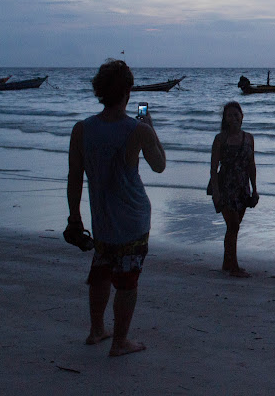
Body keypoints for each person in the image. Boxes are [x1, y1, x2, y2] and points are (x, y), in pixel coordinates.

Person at [66, 59, 166, 357]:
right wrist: (150, 127)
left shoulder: (82, 129)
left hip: (102, 219)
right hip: (133, 218)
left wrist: (74, 217)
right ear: (127, 92)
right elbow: (159, 165)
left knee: (101, 272)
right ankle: (120, 341)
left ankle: (97, 329)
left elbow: (74, 178)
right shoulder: (136, 130)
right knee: (127, 280)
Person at [209, 101, 258, 278]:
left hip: (242, 186)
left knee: (233, 227)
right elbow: (213, 168)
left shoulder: (249, 138)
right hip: (225, 186)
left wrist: (255, 189)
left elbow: (252, 165)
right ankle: (234, 267)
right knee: (233, 225)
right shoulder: (220, 139)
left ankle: (227, 263)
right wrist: (216, 192)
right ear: (225, 119)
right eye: (229, 115)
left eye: (236, 115)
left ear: (242, 116)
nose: (234, 118)